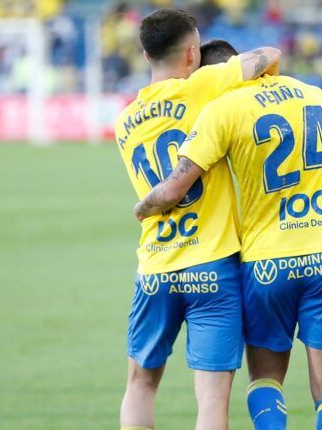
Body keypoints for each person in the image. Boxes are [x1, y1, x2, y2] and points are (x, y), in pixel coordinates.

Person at [132, 44, 322, 430]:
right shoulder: (312, 94)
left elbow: (175, 188)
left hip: (266, 264)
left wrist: (143, 209)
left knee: (265, 382)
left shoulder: (221, 110)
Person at [112, 10, 281, 430]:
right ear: (192, 54)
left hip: (156, 265)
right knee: (211, 398)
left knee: (140, 383)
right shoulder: (205, 86)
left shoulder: (124, 123)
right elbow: (269, 54)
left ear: (146, 53)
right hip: (213, 263)